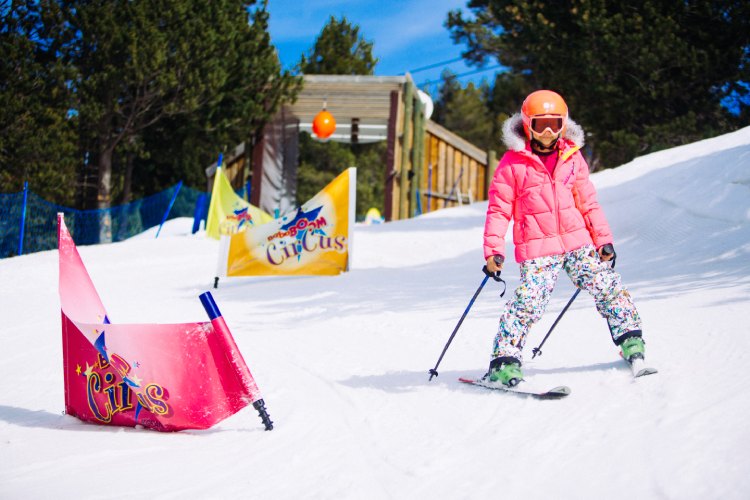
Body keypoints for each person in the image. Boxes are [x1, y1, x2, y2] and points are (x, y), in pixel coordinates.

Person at [483, 89, 645, 387]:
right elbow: (498, 209)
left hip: (577, 242)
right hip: (537, 247)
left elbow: (588, 202)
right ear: (527, 125)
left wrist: (602, 240)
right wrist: (494, 250)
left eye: (555, 124)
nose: (548, 132)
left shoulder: (573, 158)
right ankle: (503, 361)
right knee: (528, 303)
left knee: (607, 285)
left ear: (564, 124)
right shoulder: (513, 164)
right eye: (541, 123)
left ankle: (630, 339)